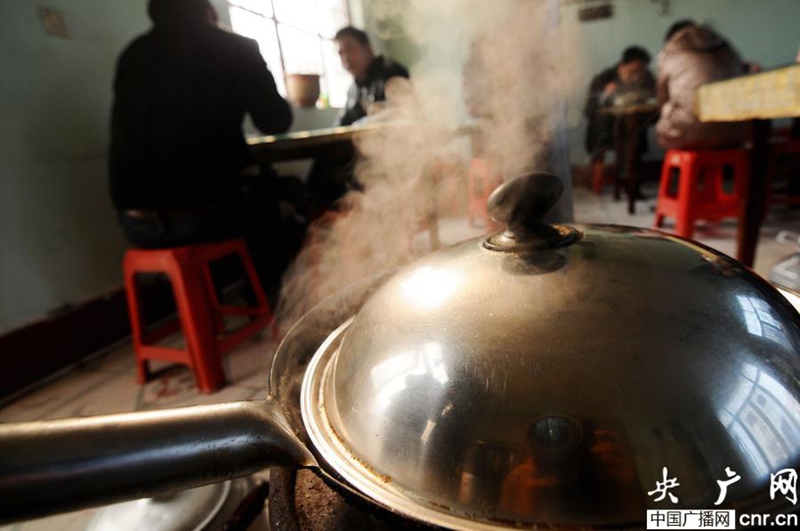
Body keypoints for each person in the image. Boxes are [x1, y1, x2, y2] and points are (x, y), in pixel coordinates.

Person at [109, 0, 293, 297]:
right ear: (208, 10)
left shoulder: (133, 53)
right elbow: (276, 121)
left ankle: (217, 302)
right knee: (277, 197)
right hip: (201, 218)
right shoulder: (234, 47)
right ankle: (277, 309)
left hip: (132, 221)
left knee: (227, 195)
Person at [655, 20, 747, 150]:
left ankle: (680, 170)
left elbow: (662, 97)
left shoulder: (669, 52)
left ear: (672, 37)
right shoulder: (726, 46)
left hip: (686, 133)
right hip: (734, 130)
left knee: (665, 123)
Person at [584, 46, 656, 160]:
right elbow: (589, 110)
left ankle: (632, 173)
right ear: (622, 66)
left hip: (633, 128)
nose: (636, 78)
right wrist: (606, 94)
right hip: (606, 130)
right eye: (632, 72)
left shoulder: (646, 77)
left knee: (634, 134)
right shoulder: (604, 78)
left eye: (640, 72)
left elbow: (654, 98)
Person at [333, 26, 410, 126]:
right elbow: (341, 126)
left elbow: (404, 113)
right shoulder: (353, 89)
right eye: (340, 53)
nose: (345, 57)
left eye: (350, 49)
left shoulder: (392, 73)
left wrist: (360, 125)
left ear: (367, 48)